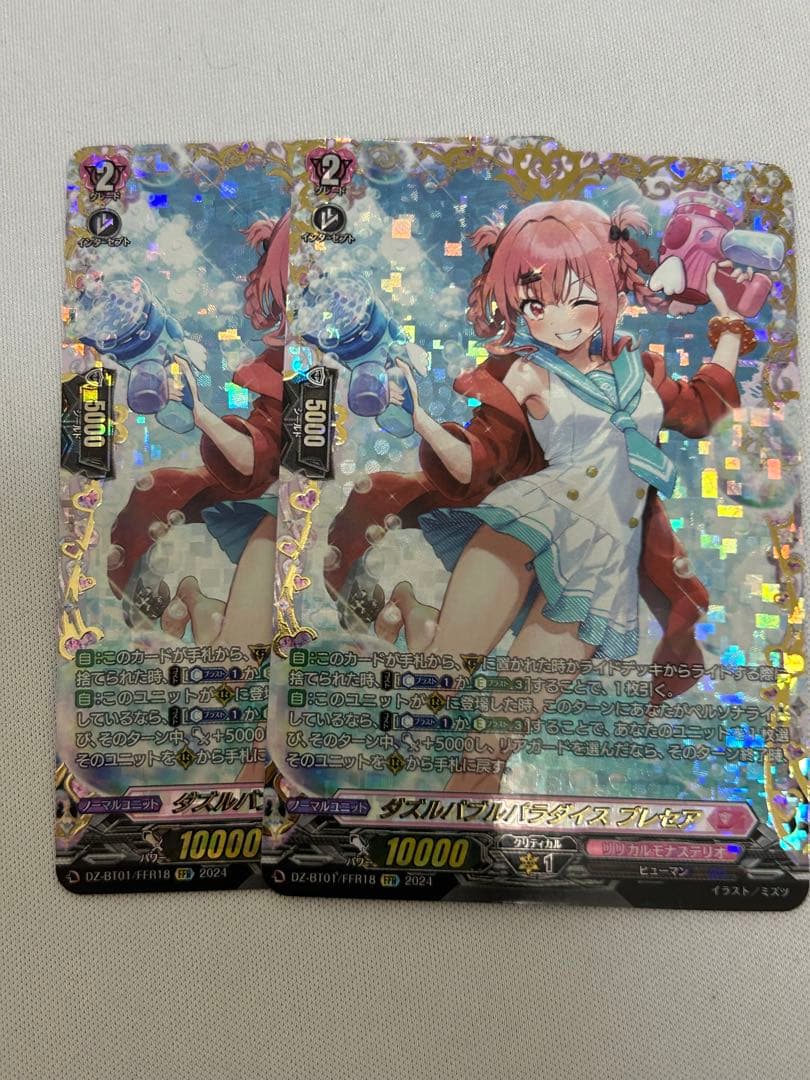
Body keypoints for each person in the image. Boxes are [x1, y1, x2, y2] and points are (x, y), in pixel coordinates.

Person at [325, 199, 756, 792]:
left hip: (603, 563)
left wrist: (730, 321)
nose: (558, 320)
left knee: (495, 740)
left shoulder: (643, 372)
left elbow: (707, 407)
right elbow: (476, 461)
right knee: (436, 683)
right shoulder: (525, 373)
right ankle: (414, 652)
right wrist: (420, 419)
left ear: (612, 282)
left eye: (578, 297)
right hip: (529, 523)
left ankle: (423, 638)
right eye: (535, 304)